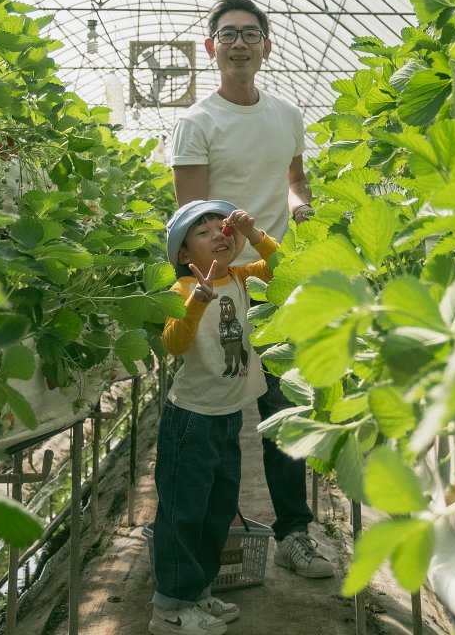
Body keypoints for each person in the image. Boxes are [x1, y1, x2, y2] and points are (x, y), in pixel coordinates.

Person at [170, 0, 335, 580]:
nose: (239, 43)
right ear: (212, 48)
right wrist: (222, 264)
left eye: (250, 34)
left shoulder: (287, 116)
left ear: (266, 46)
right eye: (228, 35)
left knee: (282, 408)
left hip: (278, 282)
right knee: (213, 417)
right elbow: (190, 214)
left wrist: (302, 209)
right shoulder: (197, 122)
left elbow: (296, 181)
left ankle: (296, 532)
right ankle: (203, 545)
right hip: (221, 283)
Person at [149, 199, 275, 635]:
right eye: (201, 233)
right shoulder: (180, 292)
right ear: (185, 256)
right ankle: (168, 608)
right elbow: (174, 345)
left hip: (227, 416)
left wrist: (255, 233)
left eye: (221, 227)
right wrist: (197, 302)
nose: (217, 235)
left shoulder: (242, 277)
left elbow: (286, 269)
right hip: (191, 419)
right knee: (183, 511)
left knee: (216, 510)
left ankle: (197, 593)